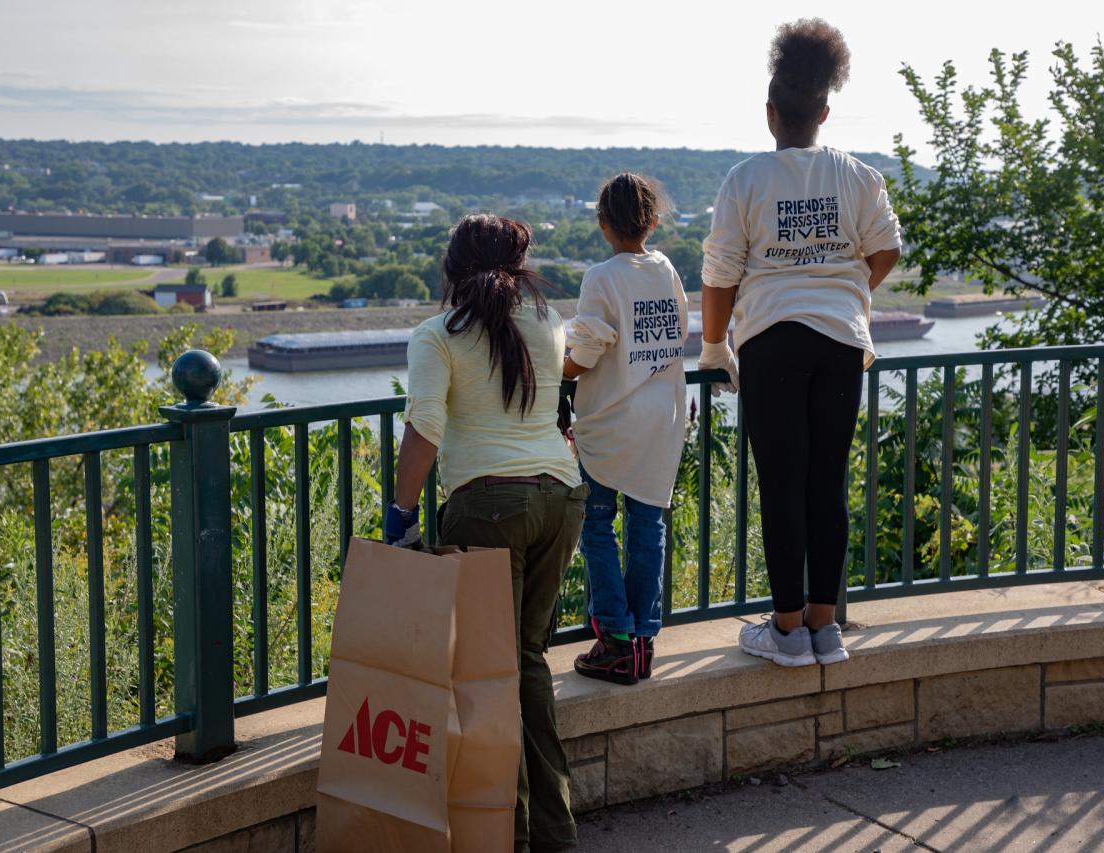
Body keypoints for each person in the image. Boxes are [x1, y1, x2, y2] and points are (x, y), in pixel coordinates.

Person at [698, 19, 902, 667]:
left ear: (770, 114)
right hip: (841, 340)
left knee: (781, 484)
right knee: (826, 483)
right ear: (824, 110)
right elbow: (888, 249)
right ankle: (824, 625)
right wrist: (847, 290)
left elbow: (719, 275)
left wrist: (713, 348)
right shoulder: (859, 176)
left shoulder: (745, 181)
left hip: (770, 342)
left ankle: (785, 631)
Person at [384, 214, 588, 853]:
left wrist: (402, 519)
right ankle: (552, 831)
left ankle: (511, 832)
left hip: (486, 507)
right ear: (519, 266)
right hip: (561, 497)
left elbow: (424, 428)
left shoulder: (437, 334)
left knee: (490, 673)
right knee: (526, 660)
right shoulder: (549, 324)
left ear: (451, 269)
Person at [563, 173, 688, 685]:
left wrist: (557, 370)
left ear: (602, 223)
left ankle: (614, 634)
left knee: (596, 523)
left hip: (612, 421)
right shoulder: (667, 270)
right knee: (647, 527)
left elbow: (588, 352)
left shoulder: (602, 277)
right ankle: (642, 640)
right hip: (661, 421)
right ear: (654, 221)